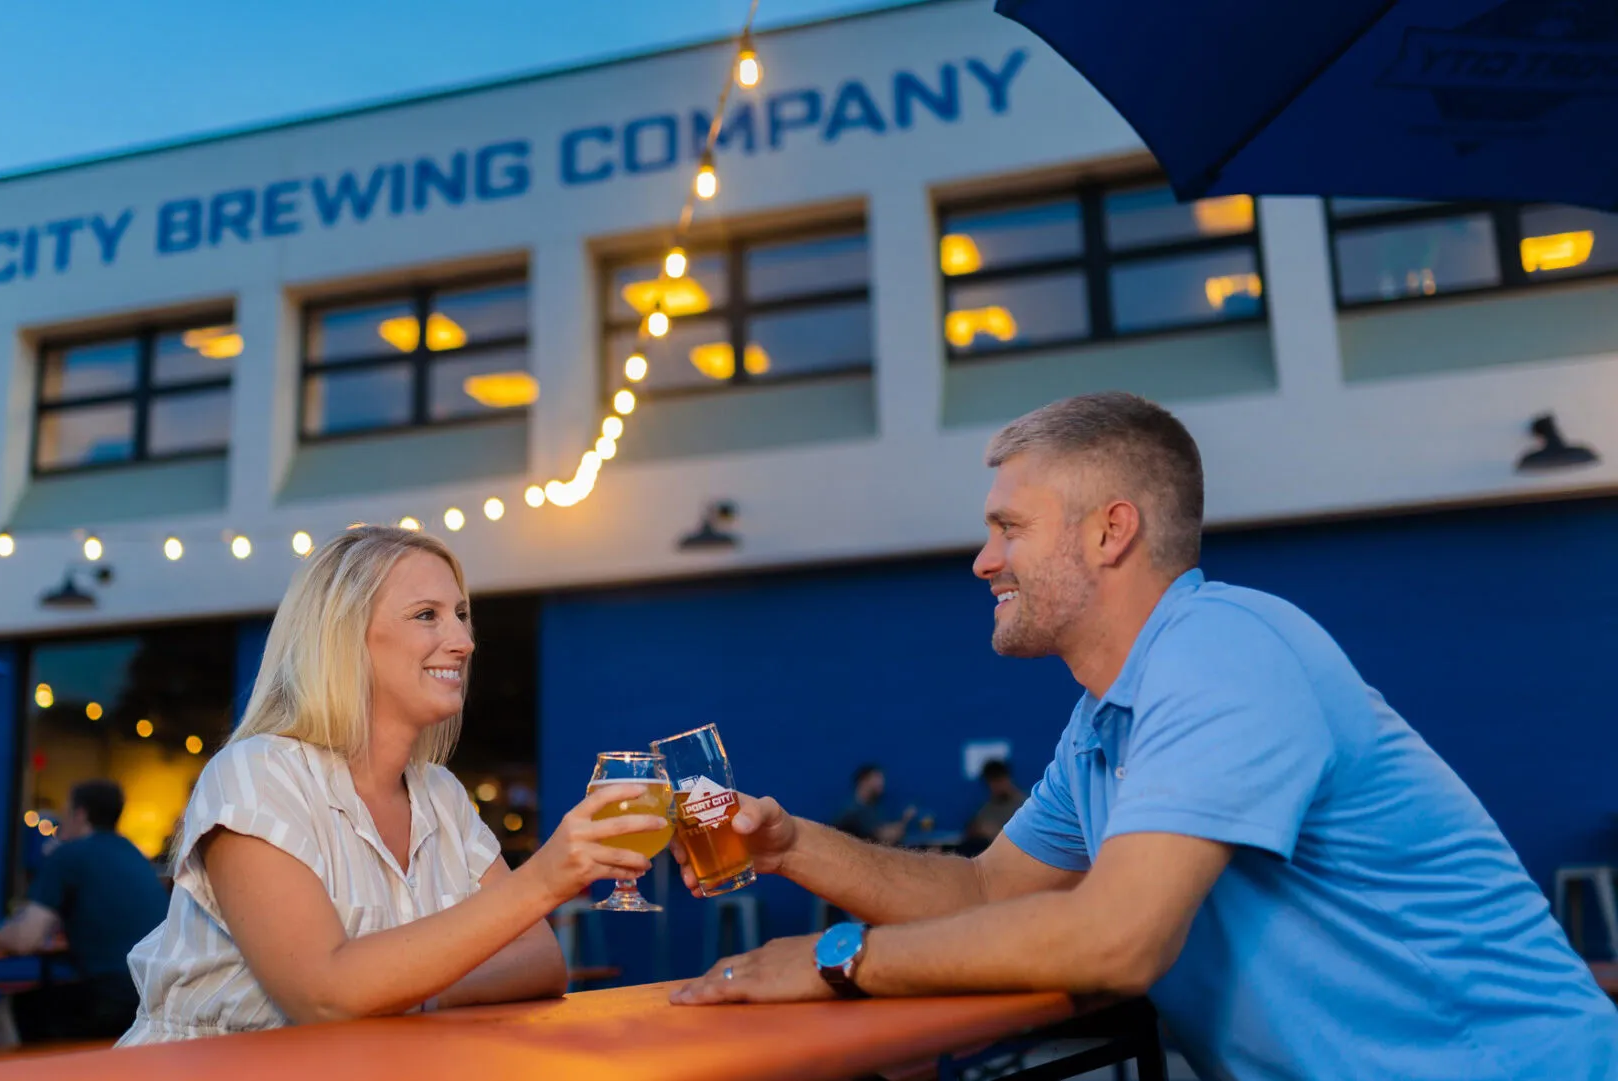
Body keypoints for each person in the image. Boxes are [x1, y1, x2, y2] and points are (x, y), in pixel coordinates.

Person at [669, 392, 1618, 1079]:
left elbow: (1117, 940)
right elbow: (984, 886)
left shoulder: (1223, 652)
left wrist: (839, 960)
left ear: (1109, 532)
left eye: (1009, 526)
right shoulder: (1107, 715)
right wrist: (795, 846)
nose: (982, 558)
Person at [118, 526, 665, 1045]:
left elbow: (541, 961)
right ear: (344, 638)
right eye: (427, 615)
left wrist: (398, 990)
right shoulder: (256, 774)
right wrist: (545, 879)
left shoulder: (440, 794)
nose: (463, 642)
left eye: (461, 615)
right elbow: (325, 996)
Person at [0, 779, 167, 1044]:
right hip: (157, 995)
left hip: (113, 994)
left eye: (65, 812)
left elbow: (23, 940)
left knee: (3, 1013)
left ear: (80, 814)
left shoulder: (69, 855)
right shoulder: (134, 854)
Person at [831, 765, 913, 845]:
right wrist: (905, 820)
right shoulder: (852, 812)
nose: (881, 783)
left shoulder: (872, 809)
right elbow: (884, 838)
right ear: (864, 781)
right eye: (877, 778)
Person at [960, 759, 1025, 853]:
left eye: (999, 780)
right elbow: (971, 831)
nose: (996, 786)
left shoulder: (1025, 804)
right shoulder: (987, 809)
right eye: (992, 782)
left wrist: (997, 832)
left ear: (1008, 779)